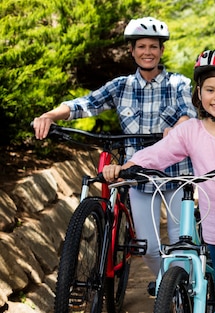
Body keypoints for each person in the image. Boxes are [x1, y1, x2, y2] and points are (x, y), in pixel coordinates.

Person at [103, 49, 215, 313]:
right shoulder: (191, 131)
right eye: (210, 90)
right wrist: (128, 167)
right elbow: (158, 153)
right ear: (199, 93)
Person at [32, 17, 196, 295]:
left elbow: (189, 113)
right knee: (149, 246)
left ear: (162, 51)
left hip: (177, 173)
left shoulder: (178, 83)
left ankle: (189, 290)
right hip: (138, 177)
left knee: (183, 243)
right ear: (131, 51)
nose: (147, 51)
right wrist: (49, 115)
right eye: (141, 46)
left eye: (153, 46)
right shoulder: (121, 86)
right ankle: (170, 288)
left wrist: (178, 129)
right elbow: (83, 104)